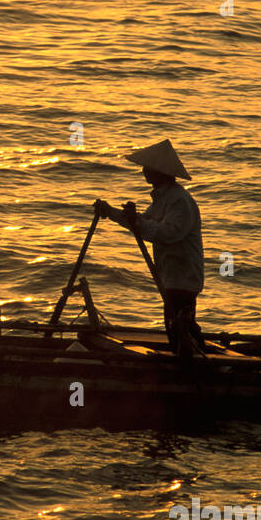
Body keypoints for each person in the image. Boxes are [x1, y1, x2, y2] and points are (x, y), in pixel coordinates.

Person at [94, 139, 205, 357]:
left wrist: (137, 221)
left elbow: (167, 233)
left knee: (181, 329)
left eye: (148, 168)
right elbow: (142, 225)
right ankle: (192, 361)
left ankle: (198, 366)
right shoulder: (162, 200)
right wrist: (112, 212)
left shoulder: (179, 201)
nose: (144, 171)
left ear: (159, 172)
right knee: (177, 327)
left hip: (183, 276)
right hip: (171, 276)